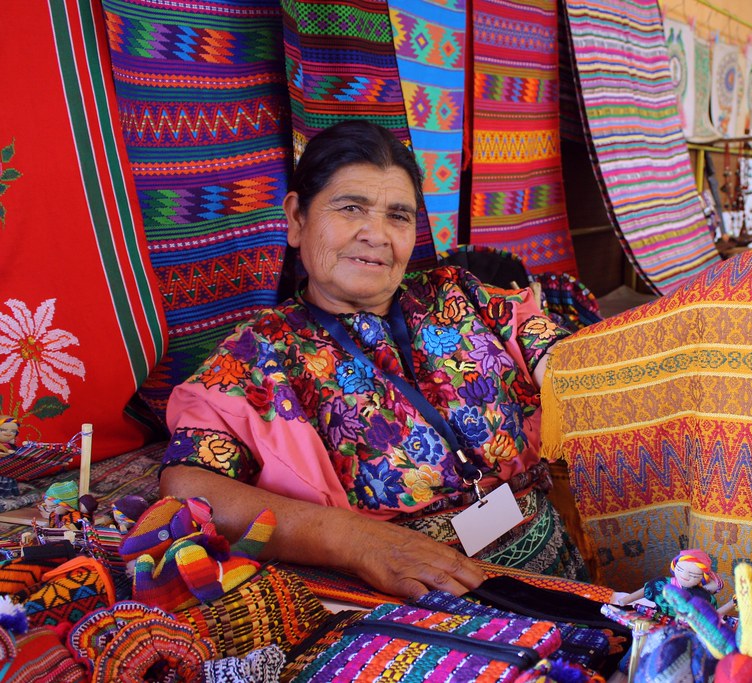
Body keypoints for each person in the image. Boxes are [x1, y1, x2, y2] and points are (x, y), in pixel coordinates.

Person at [160, 120, 586, 600]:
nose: (377, 234)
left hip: (555, 571)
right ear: (298, 218)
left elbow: (569, 362)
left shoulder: (461, 295)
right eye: (350, 208)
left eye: (399, 216)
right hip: (412, 600)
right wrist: (357, 542)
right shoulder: (260, 354)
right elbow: (188, 485)